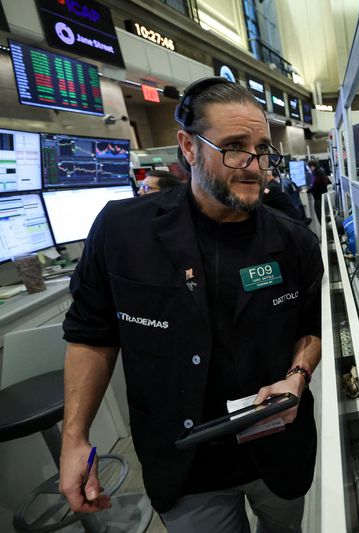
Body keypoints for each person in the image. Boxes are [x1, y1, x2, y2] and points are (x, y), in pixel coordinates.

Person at [59, 77, 323, 532]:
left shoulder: (293, 240)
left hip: (275, 450)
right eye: (235, 147)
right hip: (185, 462)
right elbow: (91, 335)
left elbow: (310, 330)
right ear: (188, 146)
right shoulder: (123, 234)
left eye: (262, 149)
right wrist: (74, 437)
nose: (254, 165)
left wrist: (297, 376)